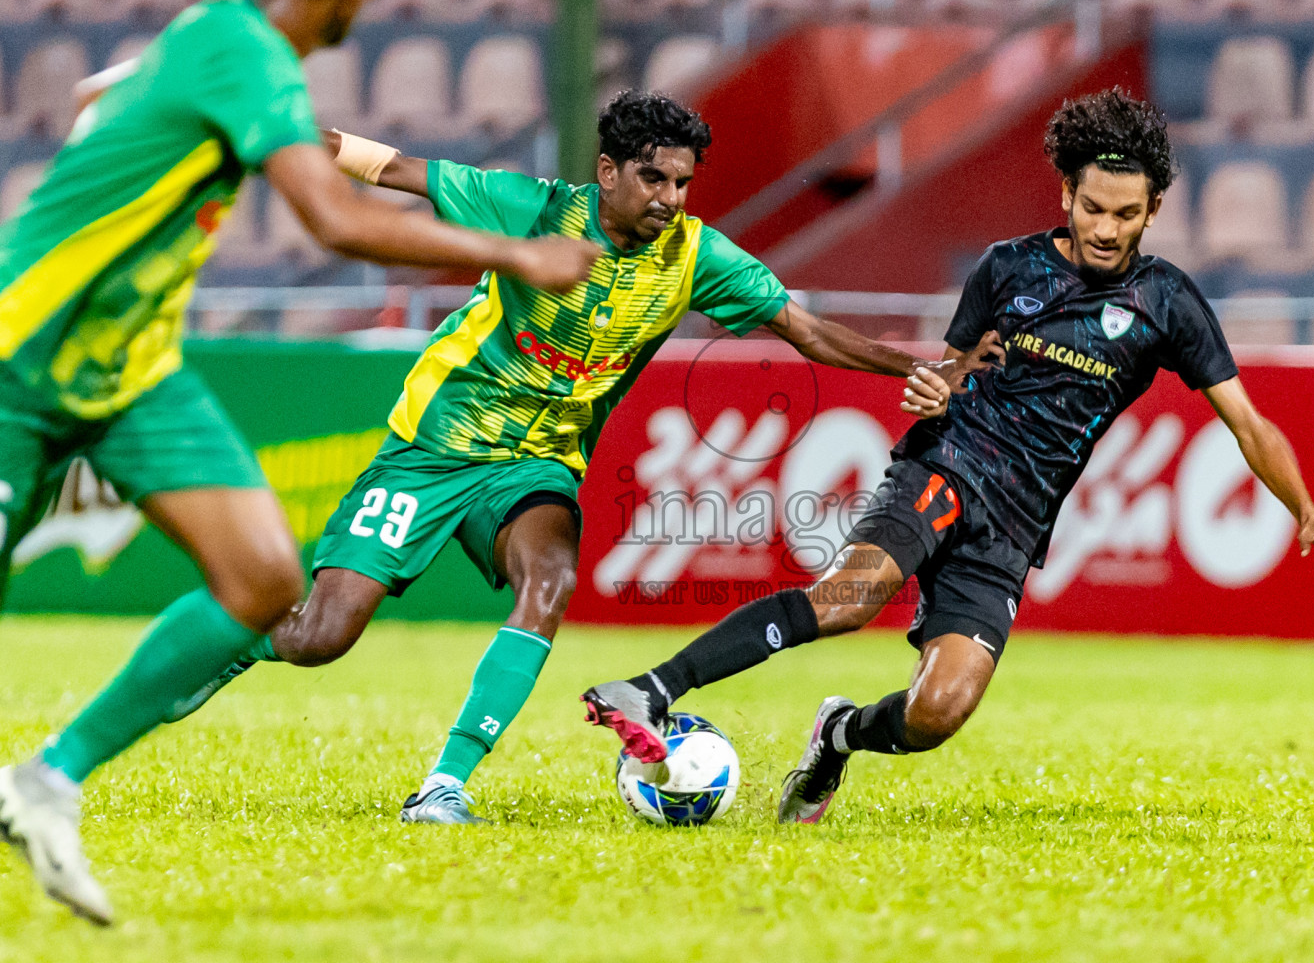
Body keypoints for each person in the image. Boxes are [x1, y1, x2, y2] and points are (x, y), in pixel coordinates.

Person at [165, 90, 990, 827]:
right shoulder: (534, 210)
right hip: (436, 446)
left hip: (539, 463)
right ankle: (241, 639)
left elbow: (806, 332)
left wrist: (922, 367)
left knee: (550, 579)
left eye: (682, 183)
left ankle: (444, 785)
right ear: (608, 172)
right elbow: (391, 167)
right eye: (654, 179)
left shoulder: (695, 256)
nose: (670, 199)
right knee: (321, 635)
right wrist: (270, 134)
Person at [0, 0, 600, 925]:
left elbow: (92, 99)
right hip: (21, 356)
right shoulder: (243, 55)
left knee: (267, 579)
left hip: (132, 374)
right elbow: (334, 220)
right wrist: (512, 253)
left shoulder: (219, 41)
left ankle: (48, 781)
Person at [581, 88, 1314, 827]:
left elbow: (1249, 424)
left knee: (936, 715)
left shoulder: (1169, 304)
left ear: (1154, 209)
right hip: (946, 465)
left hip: (1014, 526)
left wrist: (1307, 509)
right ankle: (654, 688)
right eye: (1093, 208)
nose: (1108, 229)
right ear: (1065, 196)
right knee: (849, 600)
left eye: (1127, 214)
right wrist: (934, 391)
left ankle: (837, 737)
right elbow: (949, 375)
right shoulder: (1007, 268)